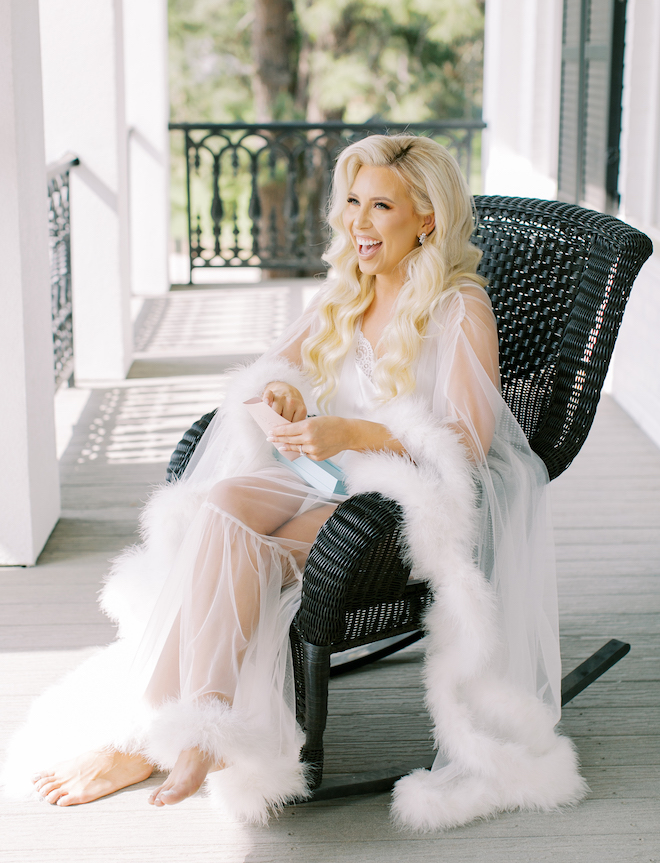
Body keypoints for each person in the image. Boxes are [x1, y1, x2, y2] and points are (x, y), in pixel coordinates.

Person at [1, 135, 586, 831]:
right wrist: (281, 396)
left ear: (426, 218)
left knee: (244, 545)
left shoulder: (460, 306)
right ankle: (201, 724)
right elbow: (268, 372)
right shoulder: (348, 292)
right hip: (332, 476)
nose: (357, 223)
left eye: (380, 206)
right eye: (351, 203)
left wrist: (355, 432)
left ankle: (159, 736)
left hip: (408, 496)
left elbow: (466, 440)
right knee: (223, 504)